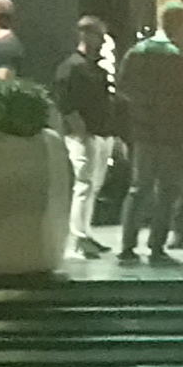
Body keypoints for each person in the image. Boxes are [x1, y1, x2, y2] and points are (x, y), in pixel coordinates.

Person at [119, 0, 183, 261]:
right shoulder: (180, 57)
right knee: (169, 189)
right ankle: (156, 246)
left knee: (139, 188)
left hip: (144, 131)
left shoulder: (137, 51)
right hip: (175, 132)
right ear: (180, 25)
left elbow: (123, 87)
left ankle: (128, 245)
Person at [53, 16, 123, 239]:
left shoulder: (94, 68)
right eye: (98, 36)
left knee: (92, 185)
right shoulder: (72, 67)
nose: (102, 41)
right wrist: (81, 130)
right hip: (84, 135)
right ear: (84, 35)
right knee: (85, 184)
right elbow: (65, 103)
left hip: (100, 133)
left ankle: (85, 232)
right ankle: (79, 236)